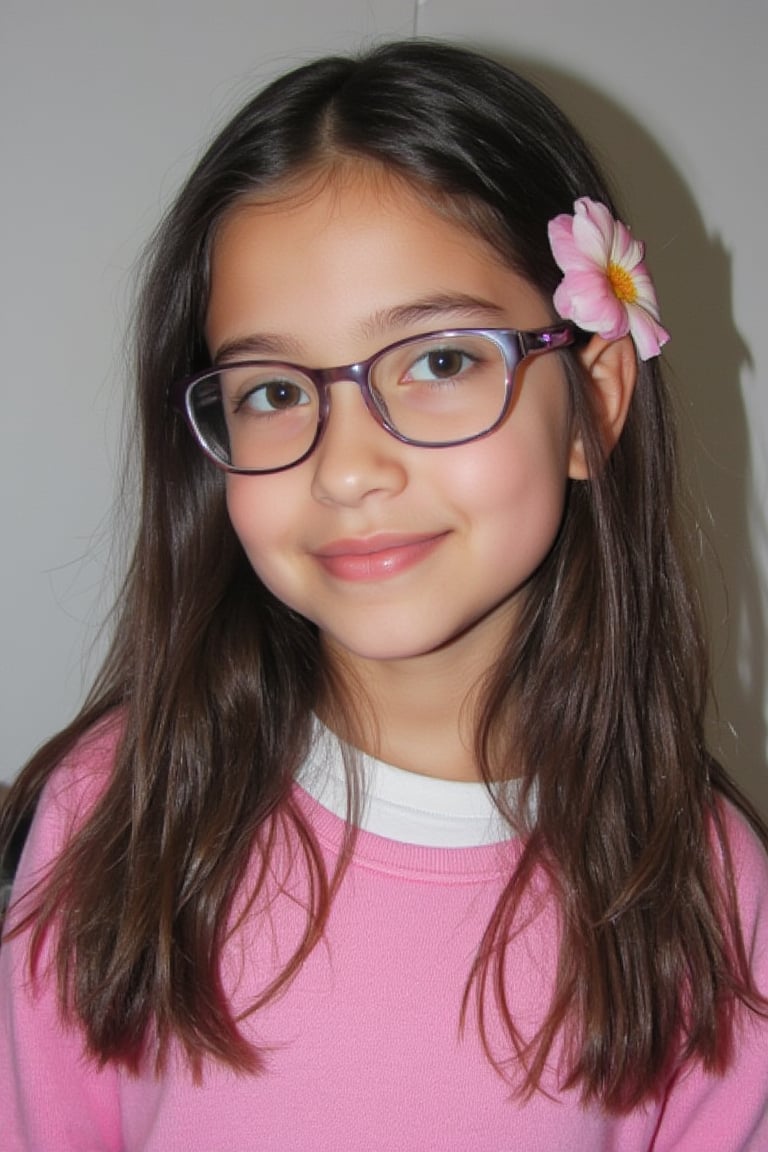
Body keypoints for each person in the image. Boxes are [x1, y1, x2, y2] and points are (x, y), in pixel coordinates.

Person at [0, 39, 766, 1151]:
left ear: (595, 406)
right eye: (271, 390)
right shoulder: (113, 816)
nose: (348, 467)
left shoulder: (714, 903)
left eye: (442, 361)